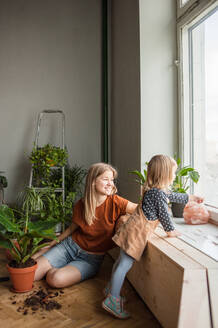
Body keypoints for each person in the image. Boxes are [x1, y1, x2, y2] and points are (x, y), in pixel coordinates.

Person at [102, 154, 204, 319]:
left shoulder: (155, 191)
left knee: (120, 262)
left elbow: (170, 197)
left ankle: (110, 288)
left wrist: (190, 198)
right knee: (124, 265)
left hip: (131, 229)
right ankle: (112, 300)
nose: (175, 176)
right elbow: (164, 215)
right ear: (165, 174)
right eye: (173, 173)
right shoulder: (158, 194)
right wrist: (171, 231)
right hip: (136, 233)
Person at [33, 162, 137, 288]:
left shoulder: (117, 202)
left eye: (112, 180)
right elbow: (72, 228)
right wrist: (49, 245)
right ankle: (55, 263)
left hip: (90, 259)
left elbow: (141, 210)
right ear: (93, 181)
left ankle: (56, 267)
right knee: (32, 274)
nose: (111, 183)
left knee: (54, 279)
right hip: (69, 247)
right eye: (106, 179)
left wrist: (125, 218)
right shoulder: (82, 204)